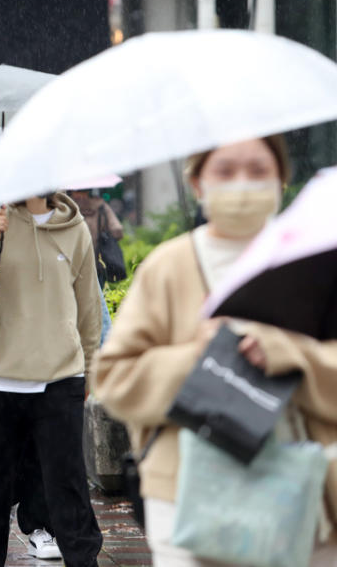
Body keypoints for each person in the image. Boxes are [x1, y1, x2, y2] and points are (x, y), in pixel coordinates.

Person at [93, 136, 337, 566]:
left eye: (258, 171)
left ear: (282, 179)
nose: (242, 184)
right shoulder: (168, 267)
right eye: (225, 171)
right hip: (189, 495)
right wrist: (195, 356)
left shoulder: (318, 260)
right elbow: (114, 379)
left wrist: (291, 354)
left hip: (308, 495)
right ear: (197, 183)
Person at [0, 193, 103, 567]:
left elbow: (88, 308)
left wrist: (91, 370)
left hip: (60, 377)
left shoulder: (74, 227)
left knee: (68, 486)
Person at [68, 188, 124, 345]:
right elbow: (118, 230)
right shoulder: (100, 205)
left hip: (73, 261)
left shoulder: (66, 209)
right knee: (96, 302)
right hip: (97, 260)